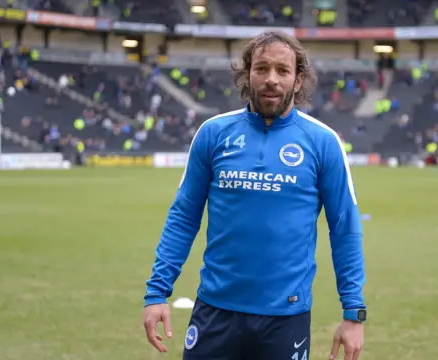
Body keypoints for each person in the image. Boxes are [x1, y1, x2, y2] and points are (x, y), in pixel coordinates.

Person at [143, 31, 367, 360]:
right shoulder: (214, 134)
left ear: (298, 78)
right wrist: (156, 293)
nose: (271, 79)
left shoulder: (322, 142)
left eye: (282, 70)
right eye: (261, 68)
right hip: (215, 313)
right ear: (247, 74)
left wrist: (354, 313)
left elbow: (345, 228)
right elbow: (183, 218)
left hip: (285, 319)